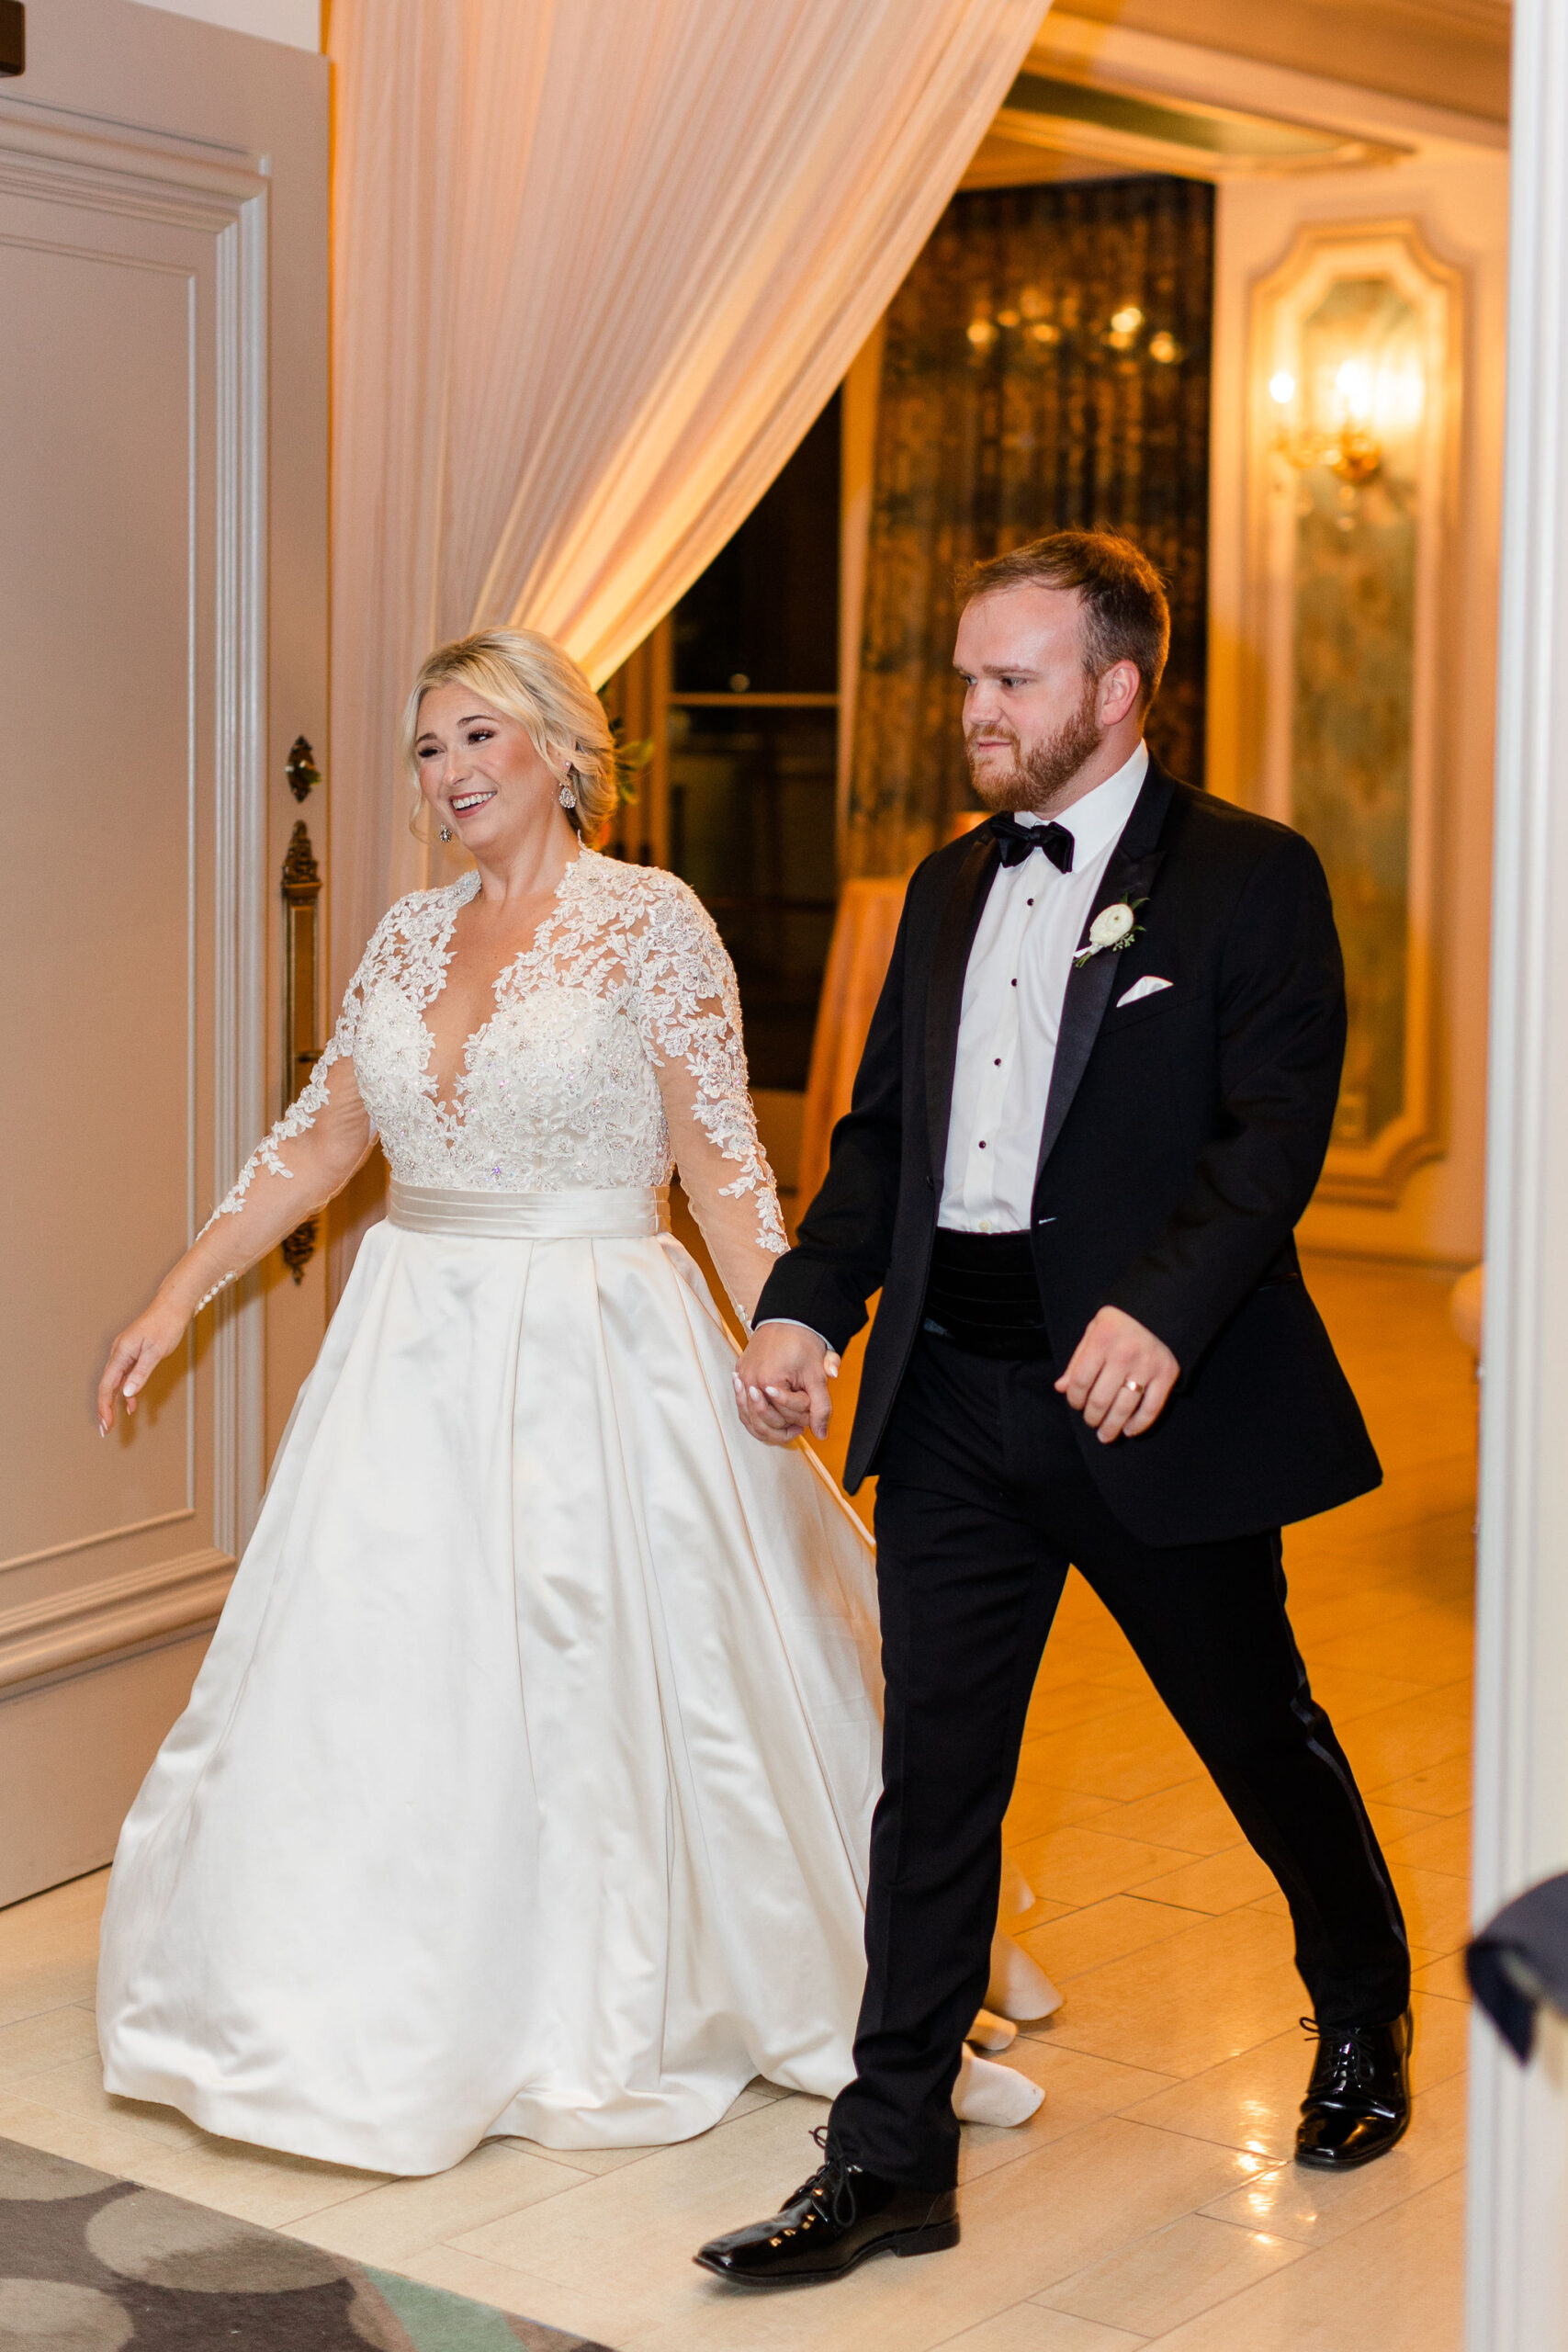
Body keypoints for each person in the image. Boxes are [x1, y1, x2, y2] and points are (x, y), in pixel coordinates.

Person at [94, 628, 1039, 2174]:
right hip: (410, 1345)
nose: (450, 772)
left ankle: (645, 1986)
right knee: (386, 1670)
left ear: (558, 747)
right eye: (426, 748)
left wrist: (789, 1330)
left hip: (599, 1343)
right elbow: (324, 1141)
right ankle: (353, 1979)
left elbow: (724, 1164)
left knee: (599, 1677)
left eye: (478, 736)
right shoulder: (406, 936)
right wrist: (174, 1286)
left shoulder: (653, 925)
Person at [698, 531, 1413, 2288]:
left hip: (1144, 1403)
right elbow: (888, 1139)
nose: (974, 712)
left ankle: (1365, 2008)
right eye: (964, 678)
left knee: (1256, 1733)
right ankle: (886, 2160)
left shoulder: (1251, 879)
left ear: (1114, 686)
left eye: (1009, 679)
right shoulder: (949, 886)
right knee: (933, 1772)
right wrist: (804, 1305)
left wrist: (1162, 1318)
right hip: (954, 1396)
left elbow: (1267, 1140)